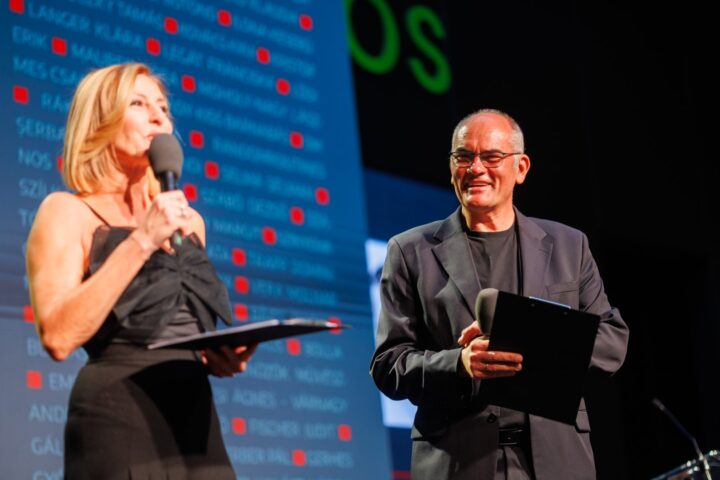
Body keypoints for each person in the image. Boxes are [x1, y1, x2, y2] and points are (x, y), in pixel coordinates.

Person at [370, 109, 629, 480]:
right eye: (464, 157)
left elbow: (612, 342)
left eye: (491, 157)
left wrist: (531, 337)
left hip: (557, 461)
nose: (476, 168)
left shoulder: (569, 246)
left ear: (520, 168)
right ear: (451, 166)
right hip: (457, 462)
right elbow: (388, 365)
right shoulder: (410, 251)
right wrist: (459, 363)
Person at [25, 63, 255, 479]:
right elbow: (58, 336)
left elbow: (176, 325)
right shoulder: (67, 212)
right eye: (138, 104)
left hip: (196, 424)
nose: (157, 117)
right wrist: (142, 239)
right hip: (117, 417)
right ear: (100, 121)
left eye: (163, 108)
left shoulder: (190, 222)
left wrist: (220, 358)